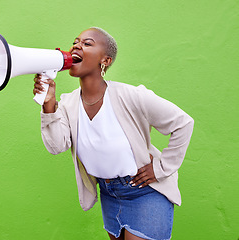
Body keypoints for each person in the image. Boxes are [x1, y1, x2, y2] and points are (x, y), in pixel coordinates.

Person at [33, 27, 194, 240]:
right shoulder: (67, 104)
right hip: (108, 194)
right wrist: (48, 104)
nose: (76, 46)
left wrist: (161, 168)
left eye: (87, 43)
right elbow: (56, 146)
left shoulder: (131, 95)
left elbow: (183, 123)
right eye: (75, 42)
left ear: (105, 61)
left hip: (144, 192)